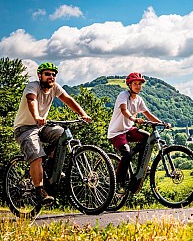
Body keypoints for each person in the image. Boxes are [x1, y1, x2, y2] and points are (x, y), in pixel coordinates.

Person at [13, 62, 92, 205]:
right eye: (47, 74)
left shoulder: (55, 88)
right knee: (36, 154)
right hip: (24, 128)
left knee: (62, 135)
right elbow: (32, 100)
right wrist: (37, 117)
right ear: (40, 75)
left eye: (53, 75)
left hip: (42, 126)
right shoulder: (32, 86)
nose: (51, 77)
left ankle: (50, 166)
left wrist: (83, 114)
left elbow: (68, 99)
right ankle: (40, 191)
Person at [107, 72, 168, 193]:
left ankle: (142, 168)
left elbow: (148, 114)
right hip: (117, 132)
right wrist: (133, 119)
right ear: (129, 85)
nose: (138, 86)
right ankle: (119, 184)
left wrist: (162, 123)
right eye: (135, 84)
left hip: (128, 130)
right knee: (127, 154)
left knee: (147, 137)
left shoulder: (139, 100)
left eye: (140, 84)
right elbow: (124, 110)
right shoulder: (123, 95)